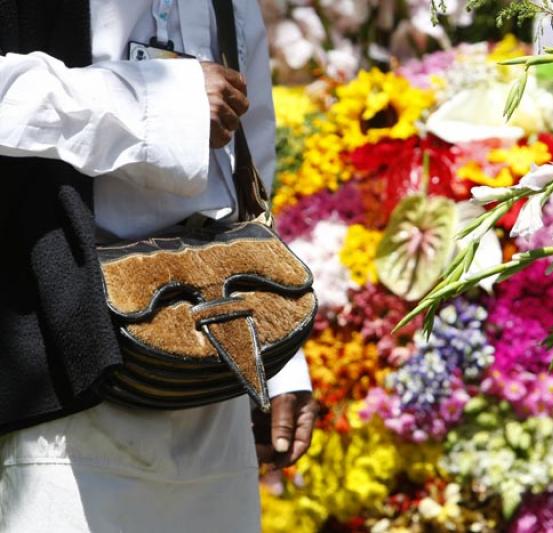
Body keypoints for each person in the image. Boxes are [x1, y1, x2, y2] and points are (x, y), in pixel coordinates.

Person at [0, 1, 317, 531]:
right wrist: (158, 105)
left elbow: (249, 167)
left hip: (215, 381)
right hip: (59, 382)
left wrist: (277, 361)